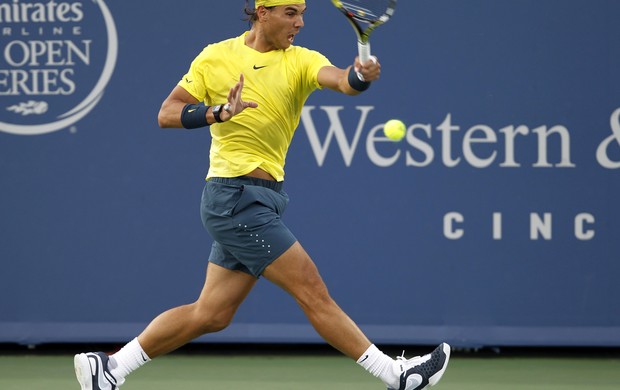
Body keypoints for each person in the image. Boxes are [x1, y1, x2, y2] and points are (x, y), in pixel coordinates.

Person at [73, 1, 451, 389]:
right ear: (262, 13)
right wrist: (218, 112)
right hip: (234, 198)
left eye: (302, 14)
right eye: (290, 13)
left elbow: (343, 81)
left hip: (259, 198)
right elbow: (167, 113)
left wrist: (360, 74)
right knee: (312, 291)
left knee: (212, 313)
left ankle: (111, 368)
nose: (300, 23)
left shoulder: (301, 60)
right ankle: (396, 375)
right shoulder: (216, 57)